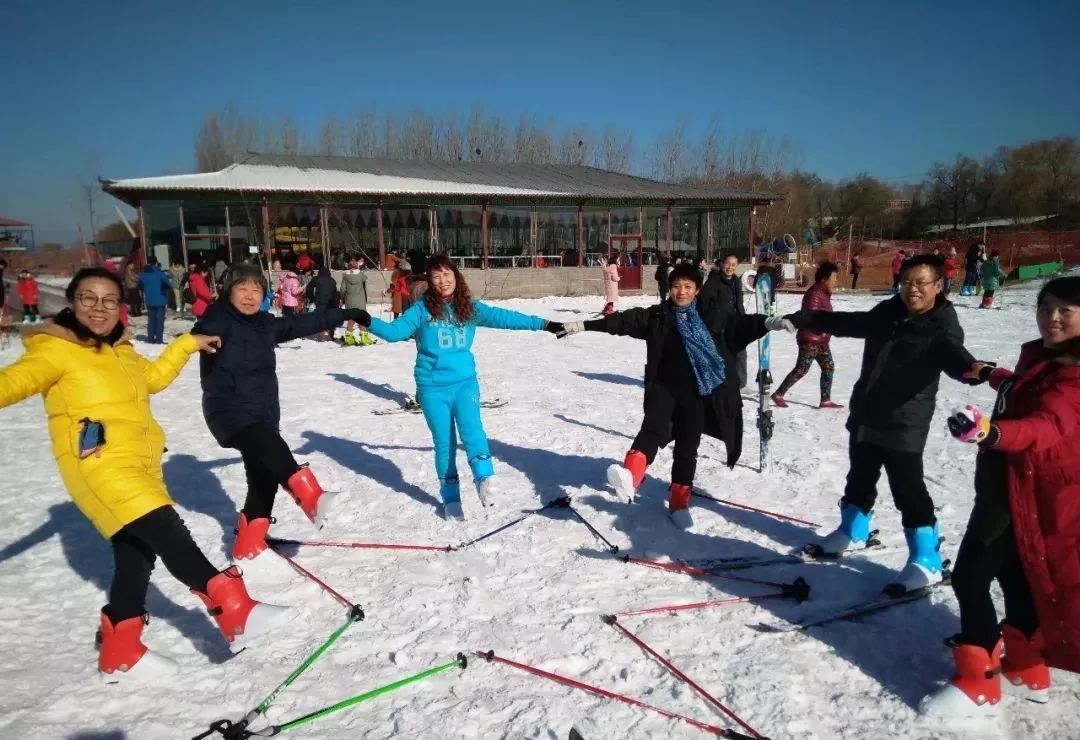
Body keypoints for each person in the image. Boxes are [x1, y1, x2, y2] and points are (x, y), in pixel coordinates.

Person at [0, 268, 291, 680]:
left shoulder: (122, 351)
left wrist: (186, 344)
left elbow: (152, 379)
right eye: (88, 298)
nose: (98, 308)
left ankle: (121, 650)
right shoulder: (53, 350)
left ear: (121, 307)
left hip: (141, 464)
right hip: (99, 466)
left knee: (136, 555)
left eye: (108, 300)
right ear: (71, 302)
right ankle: (235, 610)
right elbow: (10, 383)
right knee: (169, 530)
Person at [920, 276, 1080, 716]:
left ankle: (978, 679)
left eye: (1066, 310)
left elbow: (1048, 426)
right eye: (1047, 307)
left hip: (1023, 493)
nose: (1053, 317)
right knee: (1013, 574)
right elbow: (1026, 390)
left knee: (970, 577)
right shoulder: (1045, 358)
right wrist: (994, 375)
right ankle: (1028, 666)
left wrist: (992, 433)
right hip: (1013, 485)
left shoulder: (1075, 376)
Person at [790, 254, 993, 591]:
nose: (912, 290)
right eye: (907, 282)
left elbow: (955, 357)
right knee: (859, 476)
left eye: (921, 283)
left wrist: (975, 371)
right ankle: (853, 530)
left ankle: (926, 556)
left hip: (905, 422)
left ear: (937, 286)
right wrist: (805, 318)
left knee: (908, 489)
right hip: (867, 413)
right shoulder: (888, 312)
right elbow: (852, 323)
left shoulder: (941, 327)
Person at [557, 263, 794, 529]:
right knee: (652, 431)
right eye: (676, 286)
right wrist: (584, 325)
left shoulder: (710, 317)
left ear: (697, 289)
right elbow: (622, 322)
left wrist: (768, 322)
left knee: (687, 448)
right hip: (663, 389)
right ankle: (630, 477)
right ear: (669, 289)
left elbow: (739, 324)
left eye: (687, 287)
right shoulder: (658, 316)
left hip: (697, 394)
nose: (681, 292)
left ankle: (679, 503)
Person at [365, 255, 561, 521]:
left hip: (464, 383)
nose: (443, 280)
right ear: (429, 281)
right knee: (444, 443)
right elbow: (393, 332)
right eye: (436, 276)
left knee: (473, 430)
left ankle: (484, 479)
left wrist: (544, 324)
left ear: (456, 276)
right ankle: (451, 498)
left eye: (447, 274)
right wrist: (365, 320)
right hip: (433, 387)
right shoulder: (421, 310)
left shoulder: (468, 307)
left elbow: (505, 317)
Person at [193, 264, 370, 558]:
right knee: (270, 446)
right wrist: (201, 337)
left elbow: (306, 322)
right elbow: (202, 331)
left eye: (256, 290)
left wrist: (346, 313)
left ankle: (248, 544)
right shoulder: (218, 319)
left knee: (263, 477)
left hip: (263, 411)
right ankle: (311, 495)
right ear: (229, 291)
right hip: (228, 411)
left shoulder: (265, 324)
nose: (250, 296)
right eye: (242, 289)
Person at [772, 262, 841, 409]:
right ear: (824, 278)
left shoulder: (823, 293)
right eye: (834, 278)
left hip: (821, 340)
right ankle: (778, 394)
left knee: (828, 367)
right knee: (801, 369)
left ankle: (825, 400)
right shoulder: (814, 294)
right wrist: (831, 325)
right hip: (810, 339)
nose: (836, 281)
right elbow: (812, 318)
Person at [700, 253, 748, 388]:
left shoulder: (736, 281)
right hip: (718, 326)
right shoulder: (713, 282)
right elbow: (702, 304)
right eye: (727, 264)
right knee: (718, 356)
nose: (730, 267)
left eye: (733, 265)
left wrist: (742, 318)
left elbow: (739, 303)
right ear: (722, 264)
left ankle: (740, 384)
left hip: (736, 324)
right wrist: (711, 320)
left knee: (740, 354)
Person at [137, 257, 173, 344]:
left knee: (151, 320)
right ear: (156, 262)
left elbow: (139, 285)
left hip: (149, 299)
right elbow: (168, 284)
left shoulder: (143, 273)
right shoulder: (159, 273)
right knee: (159, 320)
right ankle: (158, 339)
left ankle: (150, 338)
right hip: (160, 299)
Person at [305, 266, 340, 341]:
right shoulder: (332, 280)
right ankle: (331, 334)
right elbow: (335, 292)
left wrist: (311, 298)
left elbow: (309, 288)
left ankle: (321, 336)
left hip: (320, 301)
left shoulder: (316, 279)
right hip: (331, 302)